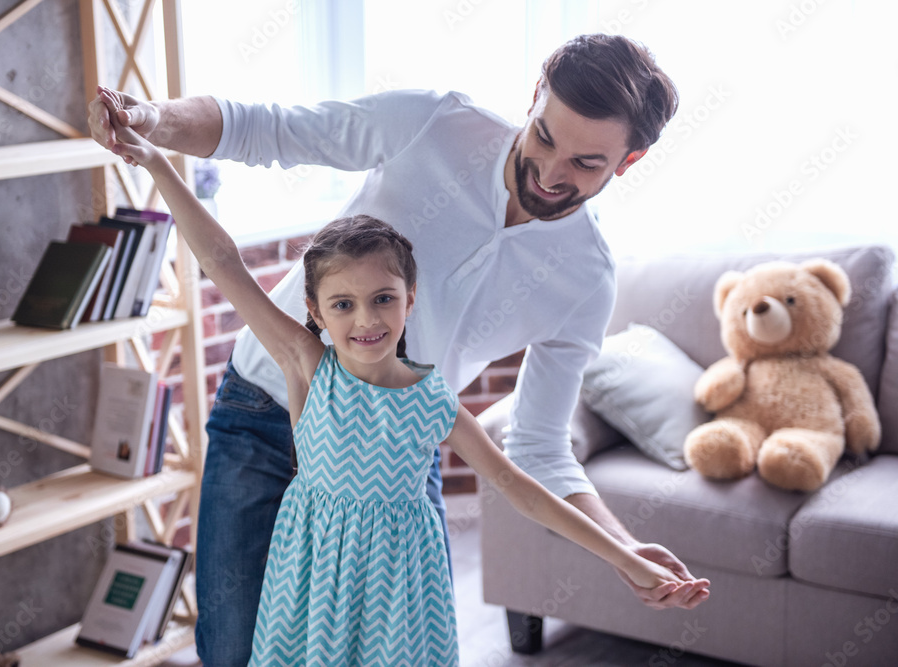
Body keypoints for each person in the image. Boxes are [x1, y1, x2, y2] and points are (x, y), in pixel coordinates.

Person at [89, 33, 711, 666]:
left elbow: (535, 453)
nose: (550, 174)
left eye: (587, 164)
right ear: (534, 100)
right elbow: (265, 131)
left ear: (626, 163)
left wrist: (624, 551)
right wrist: (148, 125)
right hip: (262, 417)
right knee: (236, 648)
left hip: (399, 459)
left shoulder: (585, 280)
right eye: (545, 137)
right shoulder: (435, 123)